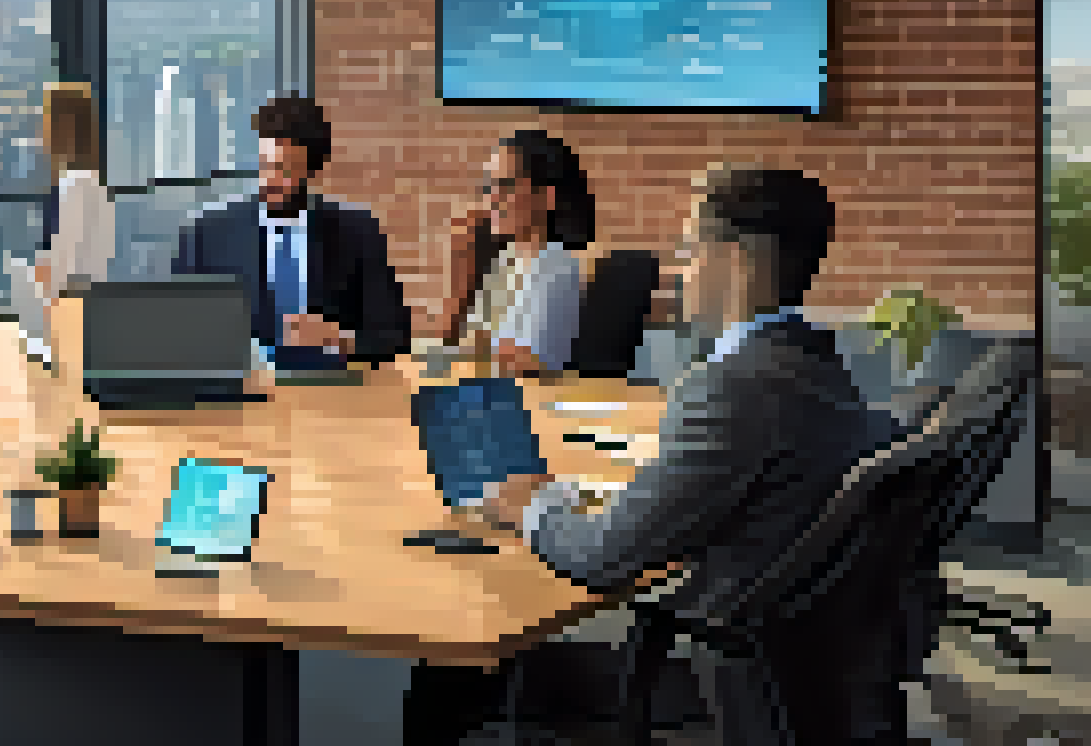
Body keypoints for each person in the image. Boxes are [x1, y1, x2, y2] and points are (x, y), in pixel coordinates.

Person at [478, 168, 908, 743]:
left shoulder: (738, 386)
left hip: (727, 670)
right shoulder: (814, 361)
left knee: (469, 681)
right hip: (799, 657)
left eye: (688, 249)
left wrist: (531, 505)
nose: (680, 270)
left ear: (733, 259)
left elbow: (601, 556)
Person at [172, 93, 409, 368]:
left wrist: (343, 339)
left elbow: (395, 337)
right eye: (264, 165)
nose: (269, 180)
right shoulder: (205, 235)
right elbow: (178, 335)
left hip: (331, 396)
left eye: (284, 169)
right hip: (240, 394)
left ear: (313, 169)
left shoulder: (358, 232)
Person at [438, 128, 595, 377]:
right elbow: (465, 341)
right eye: (489, 186)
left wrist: (468, 351)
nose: (493, 198)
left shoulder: (558, 264)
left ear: (546, 196)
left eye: (506, 185)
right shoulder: (505, 260)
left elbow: (531, 361)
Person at [12, 81, 115, 356]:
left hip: (68, 321)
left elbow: (63, 268)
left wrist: (34, 278)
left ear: (62, 126)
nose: (40, 130)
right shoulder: (92, 182)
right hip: (82, 317)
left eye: (45, 119)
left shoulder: (75, 184)